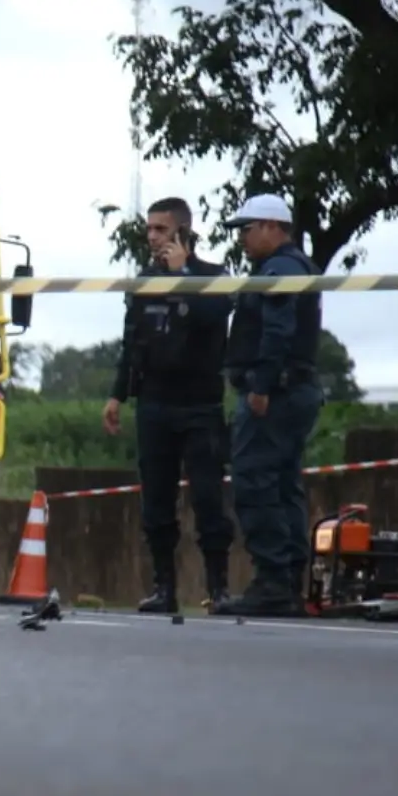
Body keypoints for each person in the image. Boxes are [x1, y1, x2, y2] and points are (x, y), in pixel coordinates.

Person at [103, 196, 236, 613]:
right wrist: (117, 393)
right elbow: (133, 340)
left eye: (161, 229)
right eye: (150, 229)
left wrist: (184, 275)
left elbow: (215, 319)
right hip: (154, 404)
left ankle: (218, 589)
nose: (153, 237)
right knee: (156, 503)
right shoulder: (145, 280)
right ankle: (164, 589)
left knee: (209, 501)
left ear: (182, 231)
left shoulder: (213, 277)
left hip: (200, 405)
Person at [213, 192, 325, 617]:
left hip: (275, 393)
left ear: (273, 227)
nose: (242, 238)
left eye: (248, 229)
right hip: (291, 390)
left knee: (256, 482)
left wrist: (260, 384)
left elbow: (277, 330)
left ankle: (274, 581)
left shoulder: (280, 269)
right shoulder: (288, 266)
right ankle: (287, 581)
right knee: (282, 485)